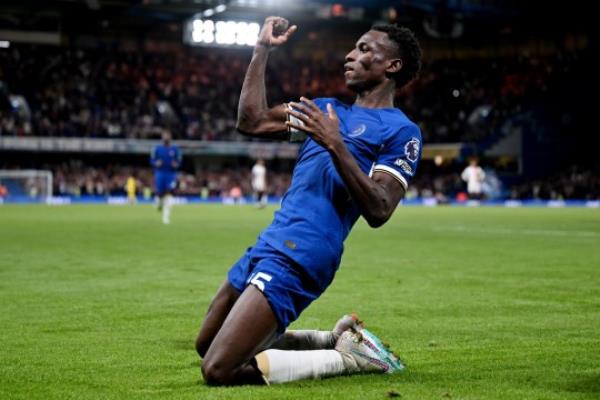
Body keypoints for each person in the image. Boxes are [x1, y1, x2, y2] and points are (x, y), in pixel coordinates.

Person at [195, 16, 423, 386]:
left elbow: (380, 208)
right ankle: (329, 340)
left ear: (391, 66)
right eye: (354, 47)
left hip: (305, 252)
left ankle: (348, 360)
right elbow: (251, 121)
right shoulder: (325, 108)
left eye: (364, 49)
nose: (350, 55)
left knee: (219, 370)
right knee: (207, 344)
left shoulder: (401, 131)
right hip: (271, 239)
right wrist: (261, 50)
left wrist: (335, 144)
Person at [150, 131, 181, 224]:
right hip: (160, 173)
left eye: (168, 136)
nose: (166, 138)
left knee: (169, 193)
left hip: (170, 174)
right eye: (164, 136)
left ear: (170, 138)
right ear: (162, 138)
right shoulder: (157, 149)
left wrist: (176, 164)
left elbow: (179, 160)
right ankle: (159, 202)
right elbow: (151, 160)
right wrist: (155, 163)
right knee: (160, 193)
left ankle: (166, 217)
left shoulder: (175, 149)